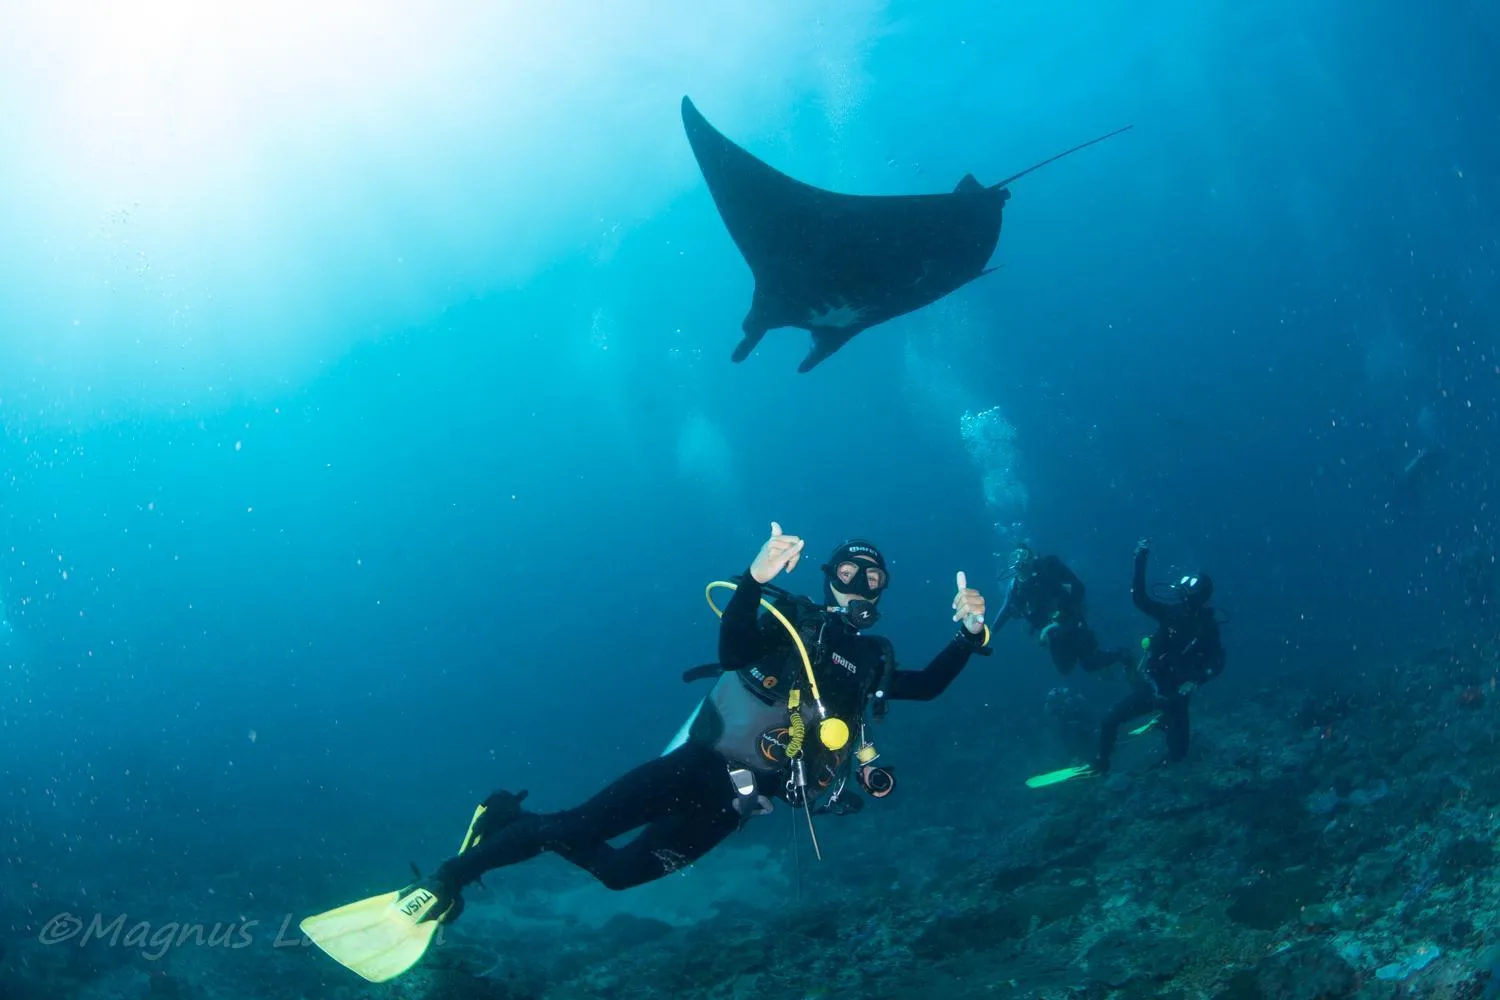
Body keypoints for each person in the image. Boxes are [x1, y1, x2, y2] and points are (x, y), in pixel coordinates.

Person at [403, 524, 990, 923]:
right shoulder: (794, 620)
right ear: (827, 576)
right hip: (699, 765)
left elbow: (927, 686)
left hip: (741, 802)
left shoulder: (872, 657)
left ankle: (512, 820)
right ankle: (447, 881)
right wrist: (754, 580)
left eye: (873, 578)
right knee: (581, 824)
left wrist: (967, 639)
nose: (859, 585)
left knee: (618, 874)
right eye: (847, 572)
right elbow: (734, 650)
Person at [1094, 538, 1225, 774]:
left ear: (1200, 593)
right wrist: (1139, 559)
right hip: (1154, 685)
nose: (1183, 584)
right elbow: (1140, 598)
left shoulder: (1207, 627)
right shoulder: (1171, 613)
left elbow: (1218, 662)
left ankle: (1164, 722)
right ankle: (1100, 762)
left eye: (1191, 582)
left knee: (1178, 754)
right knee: (1109, 721)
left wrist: (1197, 680)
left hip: (1176, 694)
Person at [993, 543, 1130, 675]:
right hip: (1052, 632)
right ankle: (1109, 660)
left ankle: (1122, 655)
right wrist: (989, 634)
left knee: (1089, 662)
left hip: (1070, 620)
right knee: (1064, 668)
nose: (1019, 561)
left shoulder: (1048, 569)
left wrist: (1061, 590)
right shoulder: (1015, 587)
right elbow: (1005, 611)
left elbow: (1078, 589)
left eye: (1023, 555)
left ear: (1031, 558)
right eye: (1014, 556)